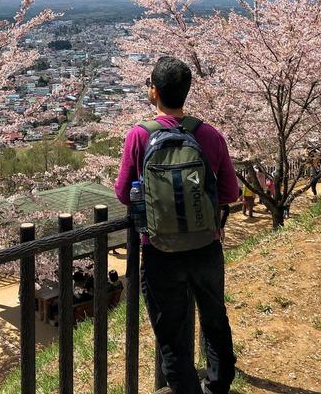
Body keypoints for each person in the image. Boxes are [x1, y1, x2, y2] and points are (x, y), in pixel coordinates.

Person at [115, 56, 238, 394]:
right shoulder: (209, 134)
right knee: (214, 319)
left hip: (159, 250)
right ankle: (218, 386)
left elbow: (124, 193)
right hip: (205, 246)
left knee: (171, 335)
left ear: (153, 91)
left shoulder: (139, 136)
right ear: (186, 92)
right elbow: (230, 191)